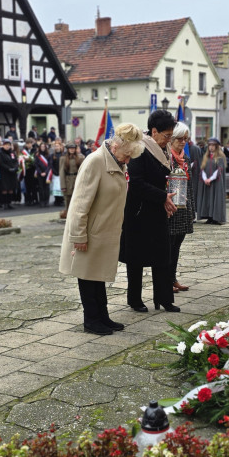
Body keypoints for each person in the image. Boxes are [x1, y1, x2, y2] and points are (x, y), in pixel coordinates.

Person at [59, 123, 144, 335]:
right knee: (87, 276)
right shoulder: (95, 162)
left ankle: (102, 316)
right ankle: (91, 320)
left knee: (97, 277)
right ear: (115, 148)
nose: (128, 161)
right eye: (127, 156)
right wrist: (78, 235)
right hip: (89, 232)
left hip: (104, 232)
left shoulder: (117, 162)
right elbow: (79, 203)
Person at [120, 109, 179, 314]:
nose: (169, 139)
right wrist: (162, 196)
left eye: (171, 135)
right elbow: (136, 183)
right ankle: (134, 298)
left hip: (157, 209)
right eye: (166, 135)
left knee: (163, 255)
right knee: (136, 258)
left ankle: (164, 298)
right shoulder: (140, 149)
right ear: (154, 131)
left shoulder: (164, 150)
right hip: (138, 212)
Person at [167, 123, 195, 294]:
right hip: (171, 209)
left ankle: (173, 278)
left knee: (177, 246)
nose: (183, 142)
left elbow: (190, 186)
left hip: (184, 209)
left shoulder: (186, 159)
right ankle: (166, 280)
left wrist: (193, 209)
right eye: (180, 138)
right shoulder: (166, 158)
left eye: (185, 139)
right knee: (169, 247)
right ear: (171, 139)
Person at [198, 138, 227, 225]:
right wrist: (205, 179)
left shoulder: (220, 158)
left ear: (217, 147)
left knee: (215, 198)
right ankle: (209, 216)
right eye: (210, 145)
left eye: (213, 145)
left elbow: (219, 170)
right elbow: (202, 169)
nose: (211, 147)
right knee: (208, 199)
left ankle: (216, 217)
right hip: (206, 182)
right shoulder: (205, 157)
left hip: (216, 182)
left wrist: (210, 179)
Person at [58, 143, 84, 219]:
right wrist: (63, 185)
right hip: (68, 180)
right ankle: (68, 215)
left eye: (73, 148)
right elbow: (61, 172)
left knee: (78, 198)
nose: (72, 150)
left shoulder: (80, 158)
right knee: (68, 199)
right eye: (70, 148)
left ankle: (76, 215)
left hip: (77, 179)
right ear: (68, 149)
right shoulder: (63, 158)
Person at [0, 139, 19, 209]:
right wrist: (8, 168)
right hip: (4, 173)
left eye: (9, 145)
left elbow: (16, 161)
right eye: (6, 145)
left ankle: (9, 203)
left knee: (11, 188)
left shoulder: (12, 153)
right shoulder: (0, 153)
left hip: (12, 173)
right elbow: (1, 163)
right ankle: (5, 203)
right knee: (5, 189)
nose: (7, 146)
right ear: (3, 145)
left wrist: (15, 168)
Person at [34, 142, 52, 207]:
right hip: (40, 173)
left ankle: (46, 201)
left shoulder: (48, 155)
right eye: (41, 147)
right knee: (41, 188)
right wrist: (40, 172)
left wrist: (45, 172)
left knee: (46, 188)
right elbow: (36, 165)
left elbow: (50, 165)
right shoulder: (37, 155)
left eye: (44, 147)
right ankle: (41, 201)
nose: (43, 148)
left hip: (47, 173)